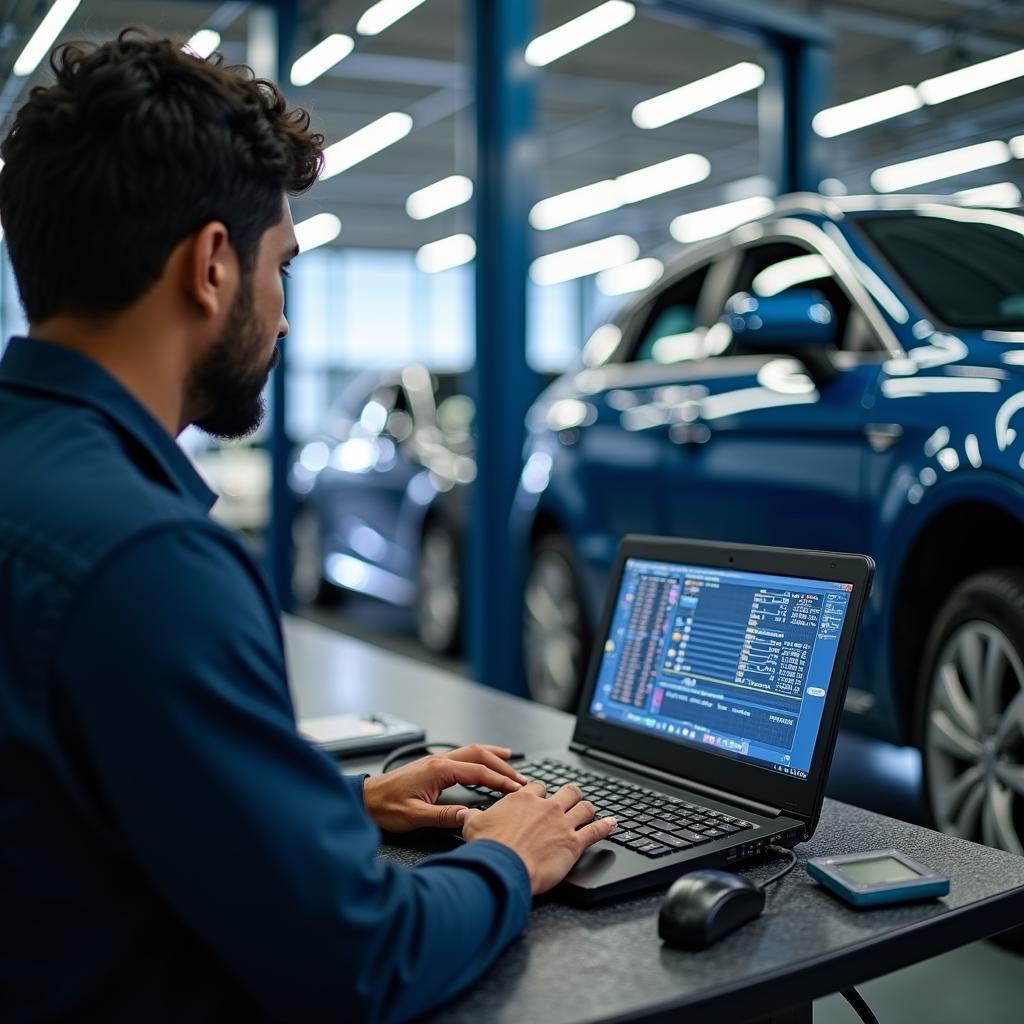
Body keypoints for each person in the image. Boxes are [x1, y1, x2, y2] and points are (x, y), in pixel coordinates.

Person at [0, 28, 617, 1023]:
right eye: (281, 263)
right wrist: (508, 855)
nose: (283, 315)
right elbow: (358, 960)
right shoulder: (147, 560)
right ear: (211, 265)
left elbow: (72, 816)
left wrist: (336, 810)